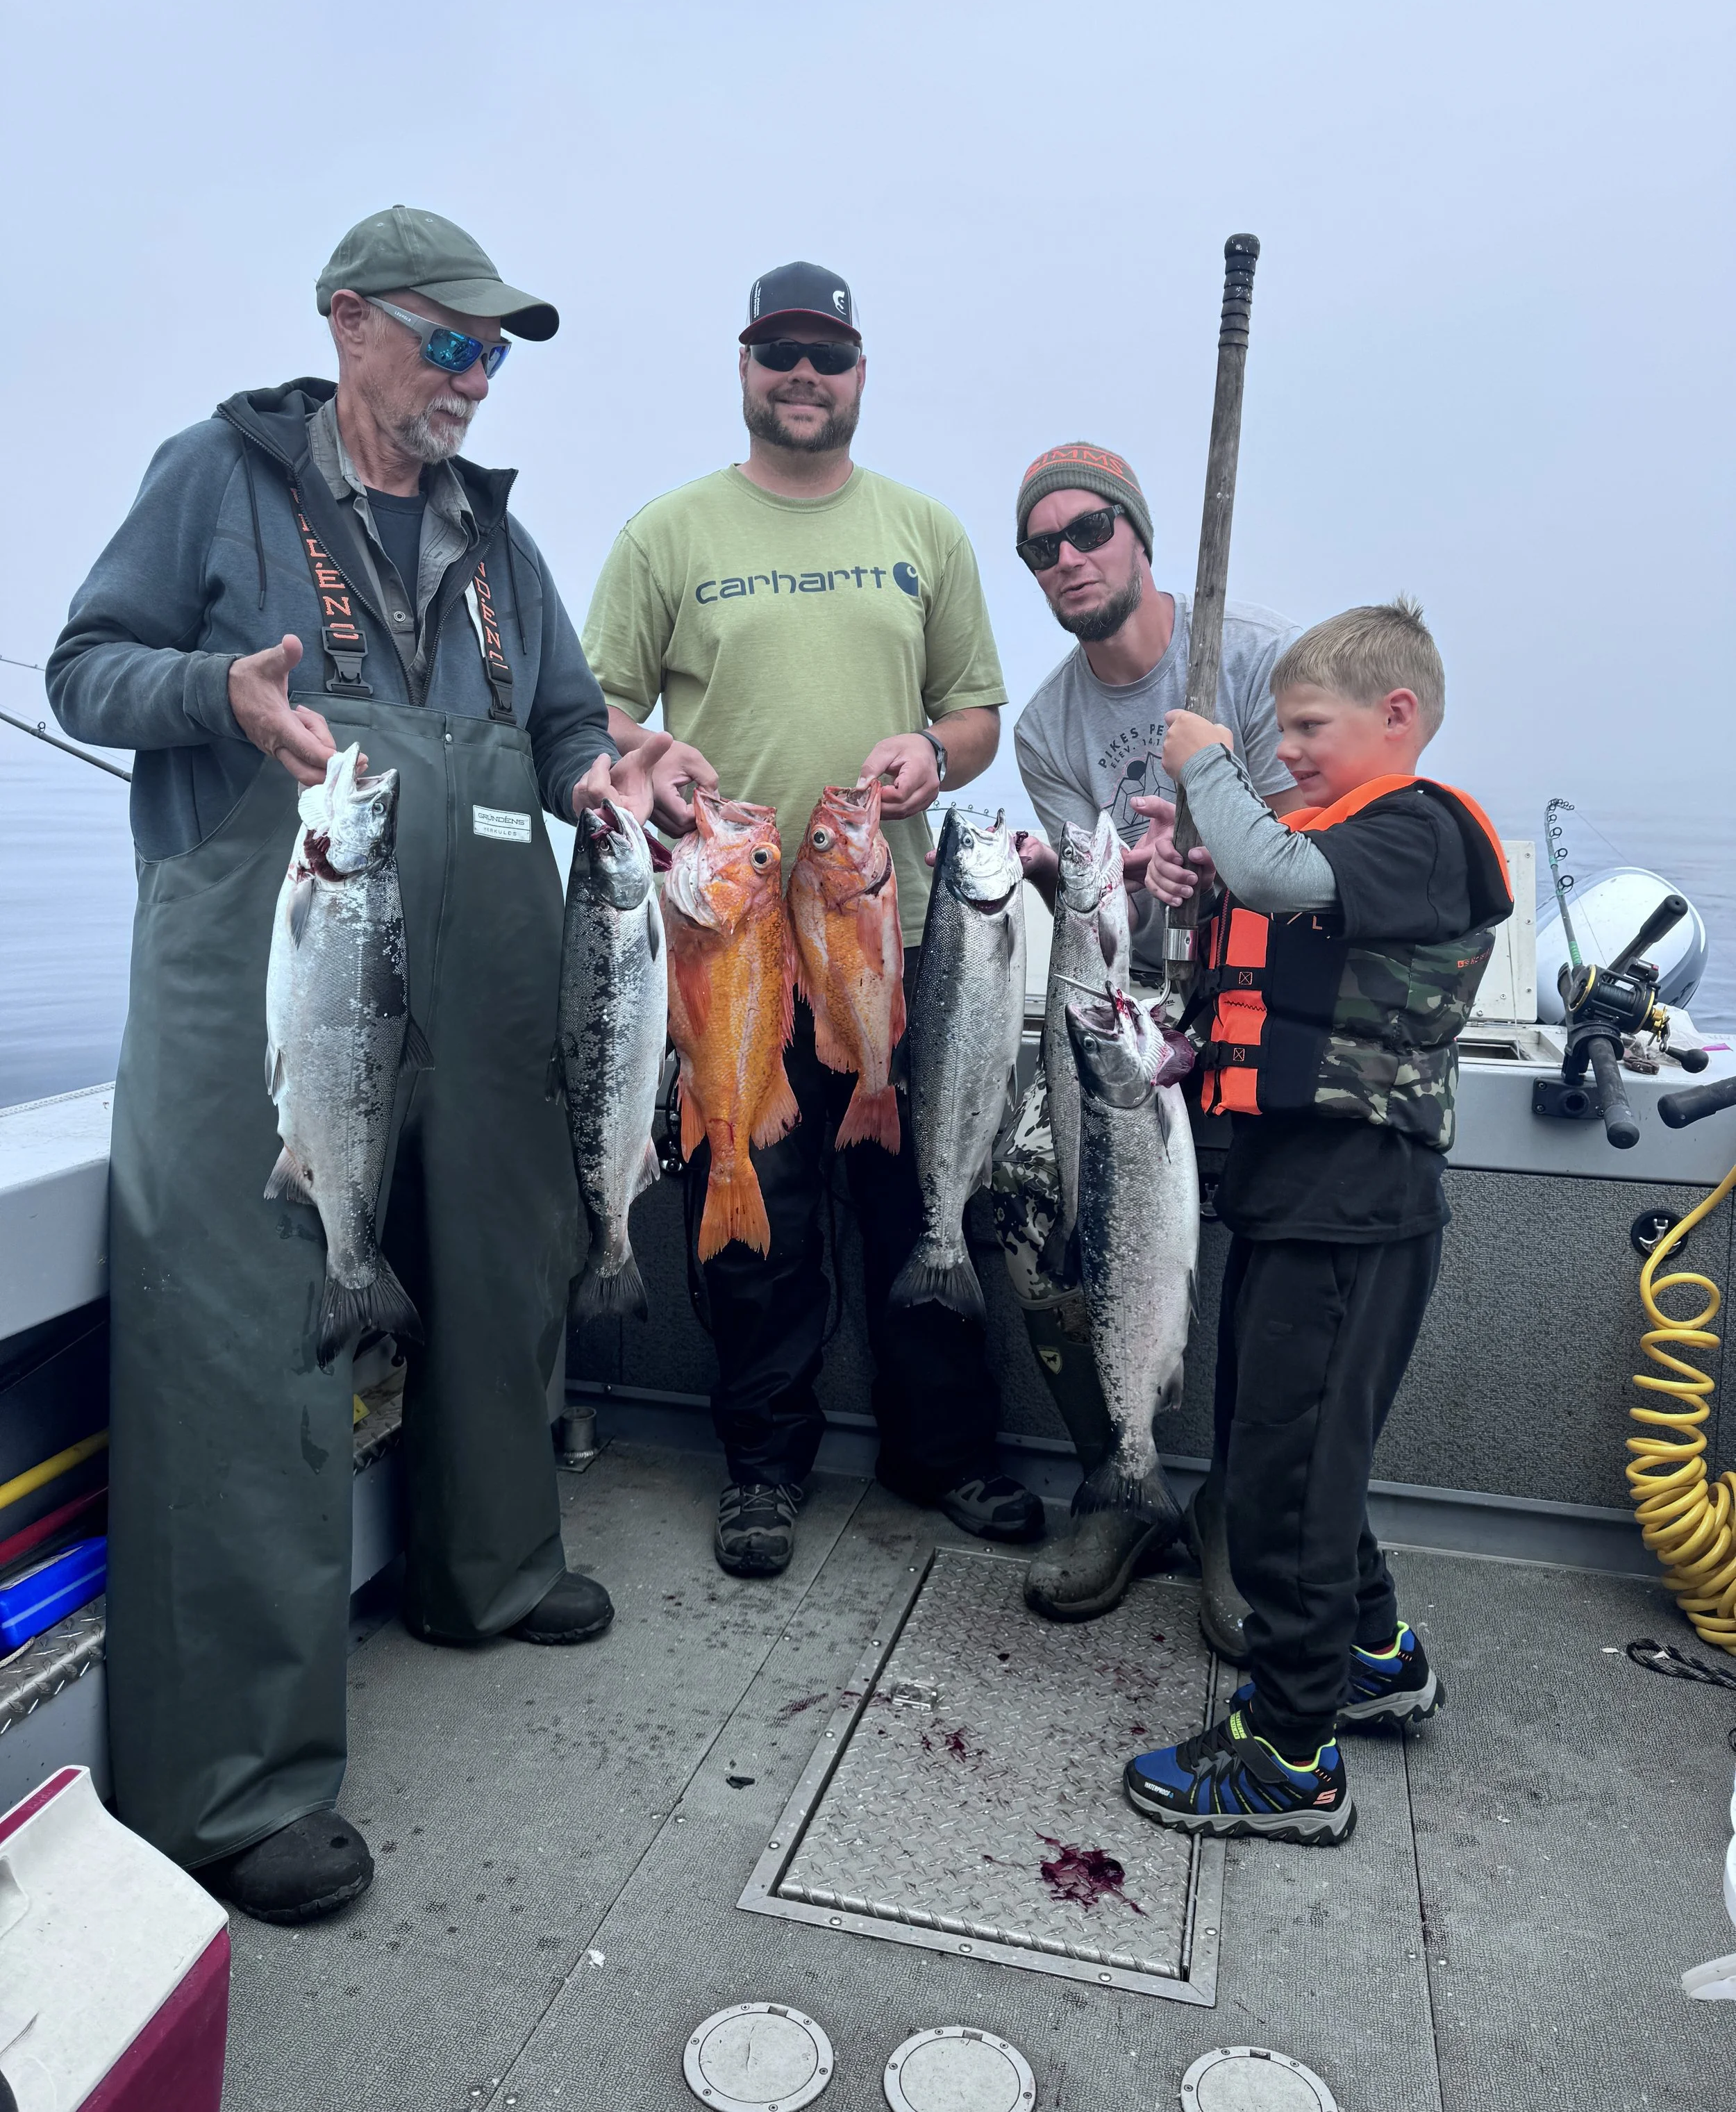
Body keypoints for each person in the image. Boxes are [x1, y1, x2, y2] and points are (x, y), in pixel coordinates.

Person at [47, 206, 666, 1927]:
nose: (472, 376)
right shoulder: (216, 479)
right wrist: (215, 696)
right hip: (270, 949)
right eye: (448, 342)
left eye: (492, 352)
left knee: (504, 1240)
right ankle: (234, 1782)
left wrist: (605, 776)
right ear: (349, 326)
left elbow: (559, 718)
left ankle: (488, 1562)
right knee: (248, 1323)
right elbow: (84, 667)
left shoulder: (498, 539)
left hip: (482, 948)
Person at [581, 260, 1045, 1579]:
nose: (803, 375)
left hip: (890, 940)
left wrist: (932, 755)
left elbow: (973, 713)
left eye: (826, 355)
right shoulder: (670, 534)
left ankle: (942, 1452)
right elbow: (599, 710)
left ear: (859, 373)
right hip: (728, 946)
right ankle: (763, 1468)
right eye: (779, 352)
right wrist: (656, 756)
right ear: (744, 367)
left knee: (923, 1199)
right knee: (756, 1206)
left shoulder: (926, 531)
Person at [1124, 599, 1512, 1844]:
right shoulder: (1330, 836)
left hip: (1355, 1209)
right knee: (1297, 1448)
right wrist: (1189, 883)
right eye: (1276, 730)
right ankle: (1374, 1655)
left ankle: (1293, 1754)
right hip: (1297, 1197)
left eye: (1306, 727)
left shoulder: (1421, 829)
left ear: (1397, 718)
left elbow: (1277, 870)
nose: (1283, 750)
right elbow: (1267, 928)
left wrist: (1205, 767)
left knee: (1286, 1472)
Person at [995, 442, 1298, 1628]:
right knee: (1016, 1204)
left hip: (1261, 1006)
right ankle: (1124, 1477)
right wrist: (1097, 882)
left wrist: (1220, 847)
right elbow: (1090, 896)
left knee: (1289, 1245)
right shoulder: (1045, 730)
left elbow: (1316, 847)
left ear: (1138, 535)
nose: (1066, 559)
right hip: (1131, 1012)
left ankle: (1239, 1509)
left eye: (1087, 532)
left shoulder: (1259, 655)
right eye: (1041, 547)